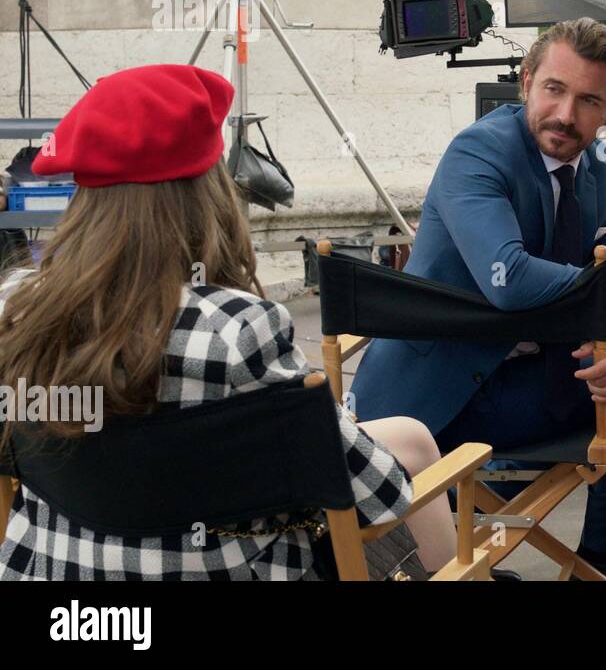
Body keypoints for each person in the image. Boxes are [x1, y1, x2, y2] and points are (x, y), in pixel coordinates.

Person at [0, 65, 456, 580]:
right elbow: (375, 498)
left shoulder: (16, 310)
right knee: (411, 442)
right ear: (207, 197)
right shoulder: (237, 330)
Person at [351, 19, 606, 581]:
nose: (566, 115)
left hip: (521, 382)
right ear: (526, 83)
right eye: (554, 89)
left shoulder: (602, 168)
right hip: (436, 404)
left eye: (589, 100)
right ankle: (467, 552)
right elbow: (509, 278)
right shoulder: (478, 152)